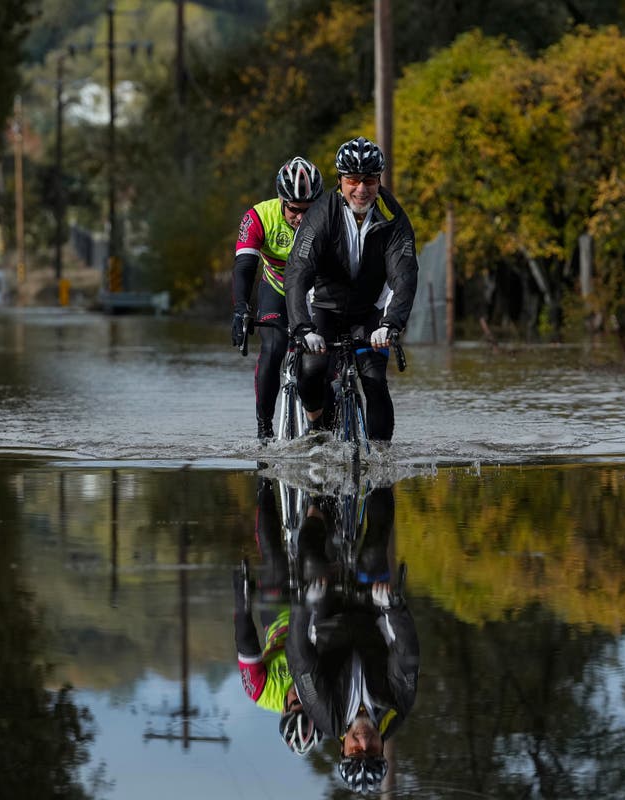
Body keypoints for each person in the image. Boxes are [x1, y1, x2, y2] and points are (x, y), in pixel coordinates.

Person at [285, 485, 419, 794]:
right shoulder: (397, 708)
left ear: (342, 749)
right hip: (371, 614)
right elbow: (407, 652)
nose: (363, 741)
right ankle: (380, 467)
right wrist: (393, 607)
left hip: (327, 619)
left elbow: (300, 657)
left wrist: (305, 606)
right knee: (373, 552)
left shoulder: (324, 714)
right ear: (381, 748)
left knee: (311, 561)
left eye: (356, 750)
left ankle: (317, 499)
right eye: (371, 750)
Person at [284, 137, 419, 441]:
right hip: (324, 309)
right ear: (340, 181)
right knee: (312, 367)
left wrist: (390, 323)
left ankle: (381, 468)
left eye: (369, 180)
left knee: (374, 380)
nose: (361, 189)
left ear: (379, 180)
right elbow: (298, 272)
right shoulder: (321, 213)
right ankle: (317, 426)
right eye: (353, 180)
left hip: (369, 313)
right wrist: (303, 328)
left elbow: (405, 275)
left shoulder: (393, 216)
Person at [231, 156, 324, 440]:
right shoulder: (259, 217)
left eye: (309, 210)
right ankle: (265, 429)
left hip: (316, 291)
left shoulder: (329, 216)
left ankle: (323, 425)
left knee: (325, 359)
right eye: (295, 210)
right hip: (278, 289)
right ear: (281, 201)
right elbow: (245, 266)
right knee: (273, 350)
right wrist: (241, 309)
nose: (301, 218)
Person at [232, 476, 323, 755]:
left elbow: (247, 645)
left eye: (294, 704)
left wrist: (242, 602)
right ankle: (321, 500)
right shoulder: (324, 695)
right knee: (317, 557)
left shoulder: (260, 693)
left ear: (283, 709)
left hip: (279, 618)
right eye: (305, 704)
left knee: (272, 555)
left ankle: (265, 483)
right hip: (313, 616)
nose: (299, 698)